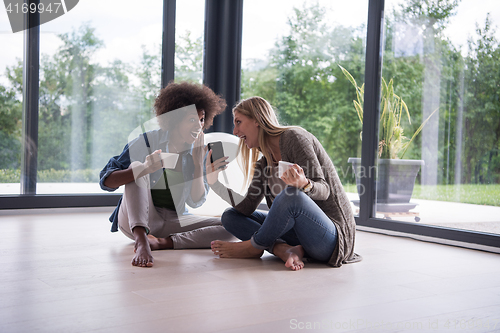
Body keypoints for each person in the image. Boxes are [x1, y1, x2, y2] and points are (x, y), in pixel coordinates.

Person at [207, 96, 361, 270]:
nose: (235, 131)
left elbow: (324, 190)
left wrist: (304, 184)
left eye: (238, 122)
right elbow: (247, 207)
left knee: (291, 195)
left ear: (257, 119)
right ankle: (282, 249)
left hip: (331, 239)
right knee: (230, 216)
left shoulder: (294, 138)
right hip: (299, 237)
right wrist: (215, 183)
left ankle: (253, 246)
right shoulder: (264, 163)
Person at [99, 82, 237, 268]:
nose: (199, 126)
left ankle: (162, 242)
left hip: (172, 220)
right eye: (191, 120)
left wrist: (197, 166)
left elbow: (195, 202)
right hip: (137, 220)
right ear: (174, 119)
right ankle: (142, 240)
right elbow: (106, 181)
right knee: (138, 166)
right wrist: (146, 168)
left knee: (232, 225)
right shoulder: (148, 140)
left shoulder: (198, 151)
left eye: (202, 119)